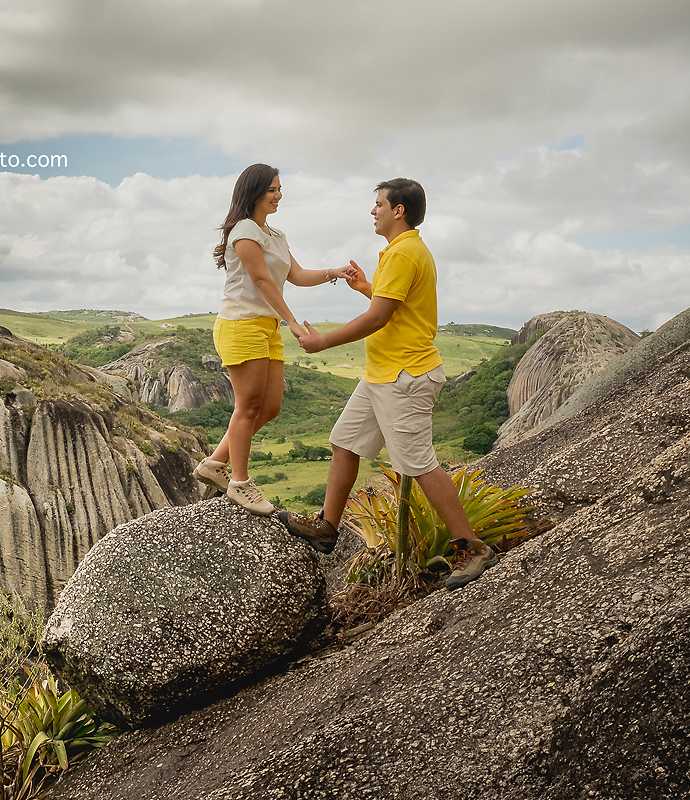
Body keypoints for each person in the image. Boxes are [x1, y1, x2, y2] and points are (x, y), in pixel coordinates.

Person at [288, 178, 499, 589]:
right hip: (383, 374)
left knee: (419, 464)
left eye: (378, 204)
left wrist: (322, 342)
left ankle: (473, 548)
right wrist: (368, 287)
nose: (373, 211)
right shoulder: (400, 252)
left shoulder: (404, 253)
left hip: (405, 376)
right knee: (344, 441)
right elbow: (395, 307)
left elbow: (379, 318)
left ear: (398, 210)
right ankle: (328, 528)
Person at [194, 164, 355, 516]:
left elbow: (294, 275)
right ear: (253, 191)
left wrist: (334, 272)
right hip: (241, 324)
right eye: (271, 189)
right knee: (248, 406)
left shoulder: (275, 235)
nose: (278, 195)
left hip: (265, 327)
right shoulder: (244, 230)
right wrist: (294, 323)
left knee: (270, 408)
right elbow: (261, 280)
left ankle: (213, 465)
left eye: (280, 189)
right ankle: (239, 482)